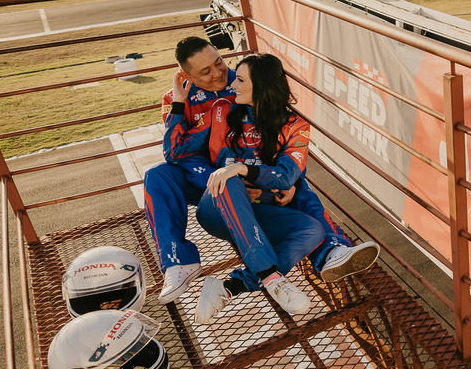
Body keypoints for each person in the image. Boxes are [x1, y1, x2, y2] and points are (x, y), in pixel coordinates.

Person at [144, 37, 378, 304]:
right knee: (158, 175)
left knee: (300, 194)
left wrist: (288, 181)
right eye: (206, 71)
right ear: (187, 76)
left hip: (253, 173)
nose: (219, 74)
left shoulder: (248, 78)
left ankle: (329, 250)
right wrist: (225, 177)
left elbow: (283, 142)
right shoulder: (183, 99)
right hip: (207, 180)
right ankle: (179, 262)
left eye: (219, 62)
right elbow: (176, 153)